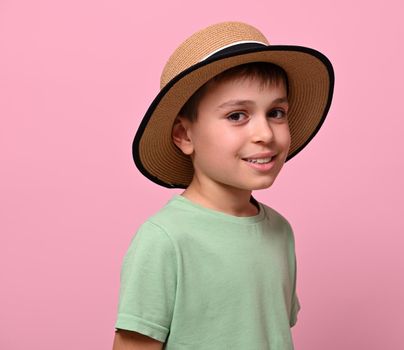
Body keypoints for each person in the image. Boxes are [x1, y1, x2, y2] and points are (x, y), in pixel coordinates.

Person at [112, 21, 334, 350]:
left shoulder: (280, 232)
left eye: (276, 112)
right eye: (236, 116)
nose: (265, 134)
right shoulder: (165, 240)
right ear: (185, 135)